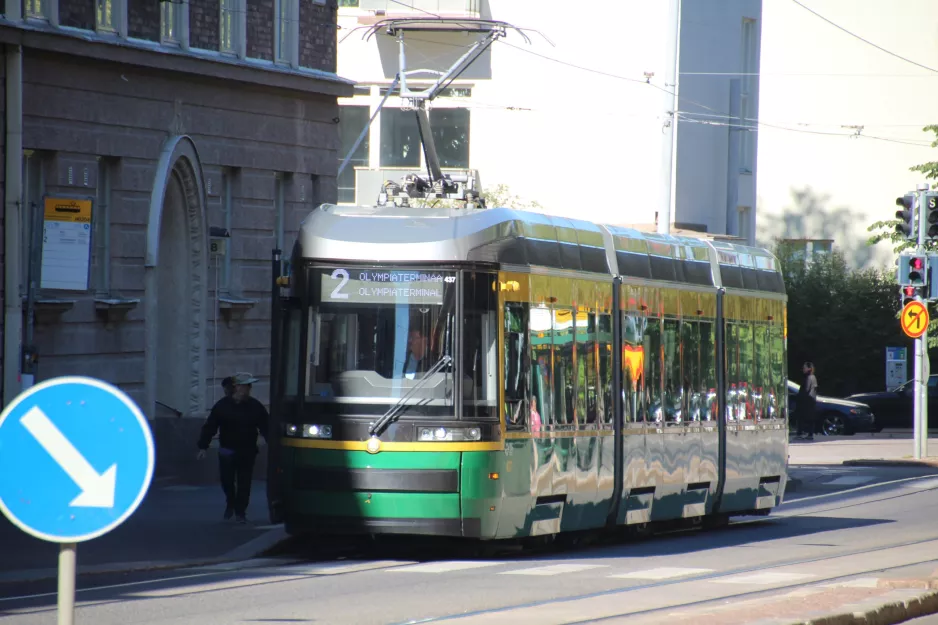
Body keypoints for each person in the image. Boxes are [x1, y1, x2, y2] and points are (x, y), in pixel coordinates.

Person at [197, 372, 269, 523]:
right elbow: (210, 427)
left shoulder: (255, 406)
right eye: (246, 385)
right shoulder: (222, 406)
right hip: (227, 450)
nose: (249, 389)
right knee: (227, 480)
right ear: (237, 387)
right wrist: (203, 447)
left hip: (247, 450)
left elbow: (266, 426)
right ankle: (231, 502)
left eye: (250, 386)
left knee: (244, 482)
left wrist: (273, 444)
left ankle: (240, 511)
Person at [796, 362, 818, 440]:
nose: (803, 369)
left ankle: (800, 434)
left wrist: (800, 397)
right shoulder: (813, 377)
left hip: (806, 402)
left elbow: (806, 389)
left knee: (801, 418)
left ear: (809, 368)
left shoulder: (808, 377)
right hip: (811, 401)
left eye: (805, 368)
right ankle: (810, 434)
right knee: (810, 419)